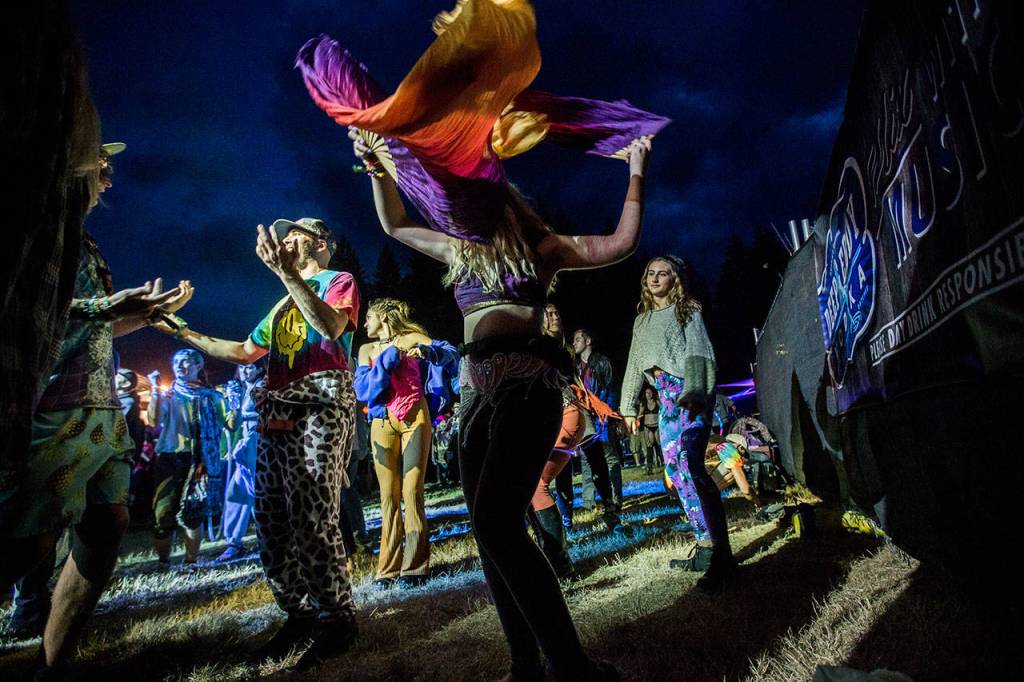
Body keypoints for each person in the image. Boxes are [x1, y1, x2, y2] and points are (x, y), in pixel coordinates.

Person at [298, 4, 666, 675]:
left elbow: (621, 243)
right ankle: (527, 663)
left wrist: (634, 169)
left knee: (498, 523)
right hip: (477, 397)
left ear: (507, 201)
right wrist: (381, 168)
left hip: (527, 388)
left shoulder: (544, 249)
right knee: (487, 529)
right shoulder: (460, 250)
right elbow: (397, 227)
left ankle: (571, 668)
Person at [0, 140, 188, 675]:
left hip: (101, 411)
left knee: (109, 522)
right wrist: (110, 305)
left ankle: (53, 666)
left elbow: (95, 320)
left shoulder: (82, 239)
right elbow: (30, 306)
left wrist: (143, 315)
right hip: (59, 409)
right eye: (100, 164)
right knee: (27, 543)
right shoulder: (37, 226)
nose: (109, 175)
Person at [148, 216, 360, 670]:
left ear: (321, 242)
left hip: (320, 406)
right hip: (277, 413)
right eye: (283, 234)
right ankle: (299, 615)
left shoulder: (337, 281)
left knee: (311, 515)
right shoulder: (283, 303)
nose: (286, 238)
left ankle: (337, 619)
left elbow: (330, 329)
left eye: (296, 233)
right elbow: (243, 352)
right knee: (270, 519)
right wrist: (180, 331)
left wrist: (287, 274)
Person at [620, 255, 737, 592]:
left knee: (692, 465)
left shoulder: (688, 309)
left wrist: (696, 391)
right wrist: (628, 406)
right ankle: (703, 547)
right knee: (676, 472)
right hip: (664, 398)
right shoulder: (641, 322)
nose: (656, 277)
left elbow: (700, 352)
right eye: (651, 273)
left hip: (689, 394)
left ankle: (722, 556)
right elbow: (633, 365)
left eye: (664, 273)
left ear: (676, 279)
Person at [354, 298, 458, 589]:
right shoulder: (366, 350)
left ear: (384, 317)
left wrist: (428, 350)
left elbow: (451, 353)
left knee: (412, 491)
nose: (364, 323)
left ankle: (414, 567)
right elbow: (364, 390)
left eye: (369, 317)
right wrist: (388, 359)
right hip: (381, 422)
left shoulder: (412, 337)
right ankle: (386, 569)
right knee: (388, 496)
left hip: (416, 416)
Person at [147, 349, 235, 567]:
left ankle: (190, 561)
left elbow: (231, 425)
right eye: (176, 362)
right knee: (162, 512)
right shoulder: (168, 396)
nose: (179, 366)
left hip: (201, 461)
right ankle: (163, 561)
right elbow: (153, 421)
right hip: (170, 457)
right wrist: (155, 391)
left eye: (185, 363)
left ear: (198, 367)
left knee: (193, 512)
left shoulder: (212, 397)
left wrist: (234, 402)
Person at [572, 329, 626, 529]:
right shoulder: (577, 367)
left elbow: (611, 389)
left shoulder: (601, 362)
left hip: (603, 415)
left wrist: (608, 414)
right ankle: (588, 502)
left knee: (609, 456)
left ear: (588, 340)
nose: (574, 342)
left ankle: (615, 498)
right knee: (588, 458)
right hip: (588, 417)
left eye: (578, 339)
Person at [215, 362, 266, 563]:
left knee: (258, 491)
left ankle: (268, 537)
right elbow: (230, 423)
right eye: (242, 367)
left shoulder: (263, 385)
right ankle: (233, 542)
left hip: (258, 443)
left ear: (259, 369)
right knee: (237, 492)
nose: (245, 371)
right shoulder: (238, 389)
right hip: (243, 446)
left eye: (250, 367)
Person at [636, 385, 662, 474]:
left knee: (659, 444)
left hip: (657, 425)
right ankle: (649, 467)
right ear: (645, 394)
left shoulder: (657, 401)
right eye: (647, 393)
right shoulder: (643, 404)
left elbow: (663, 410)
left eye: (650, 392)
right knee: (649, 446)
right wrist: (637, 420)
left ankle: (662, 462)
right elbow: (639, 414)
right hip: (648, 426)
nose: (649, 394)